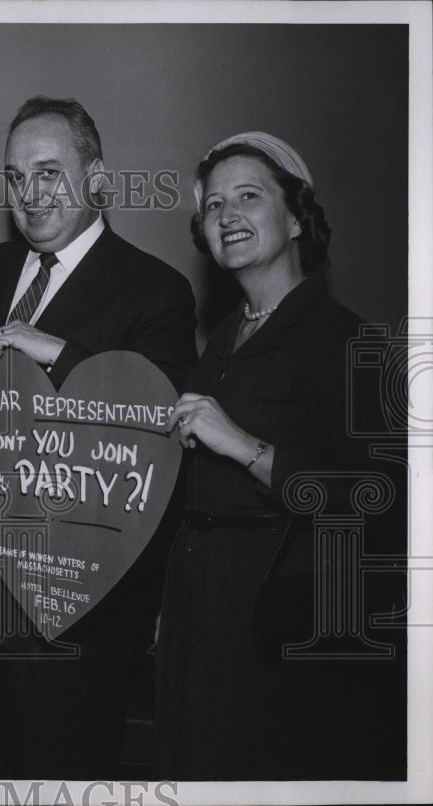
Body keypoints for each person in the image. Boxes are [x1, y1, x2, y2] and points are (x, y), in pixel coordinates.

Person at [0, 96, 197, 779]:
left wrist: (57, 352)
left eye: (49, 172)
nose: (30, 194)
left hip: (74, 612)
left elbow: (158, 420)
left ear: (98, 178)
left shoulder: (154, 290)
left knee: (60, 778)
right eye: (15, 178)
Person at [155, 132, 405, 779]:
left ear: (297, 217)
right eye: (213, 205)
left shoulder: (345, 340)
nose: (226, 215)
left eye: (248, 196)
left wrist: (245, 446)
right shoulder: (222, 343)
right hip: (198, 617)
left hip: (280, 632)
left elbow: (382, 499)